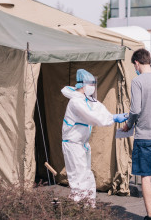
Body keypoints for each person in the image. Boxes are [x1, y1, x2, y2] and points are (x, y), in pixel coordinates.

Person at [61, 69, 128, 207]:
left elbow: (98, 108)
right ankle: (77, 209)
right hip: (73, 144)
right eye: (91, 83)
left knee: (87, 175)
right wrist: (113, 118)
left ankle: (89, 206)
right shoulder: (76, 102)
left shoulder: (86, 100)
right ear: (82, 85)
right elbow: (94, 116)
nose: (93, 86)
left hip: (82, 144)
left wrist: (115, 115)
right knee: (78, 179)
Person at [122, 48, 151, 220]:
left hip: (144, 136)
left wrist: (128, 124)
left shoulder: (137, 81)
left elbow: (135, 109)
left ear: (136, 63)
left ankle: (150, 216)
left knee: (145, 177)